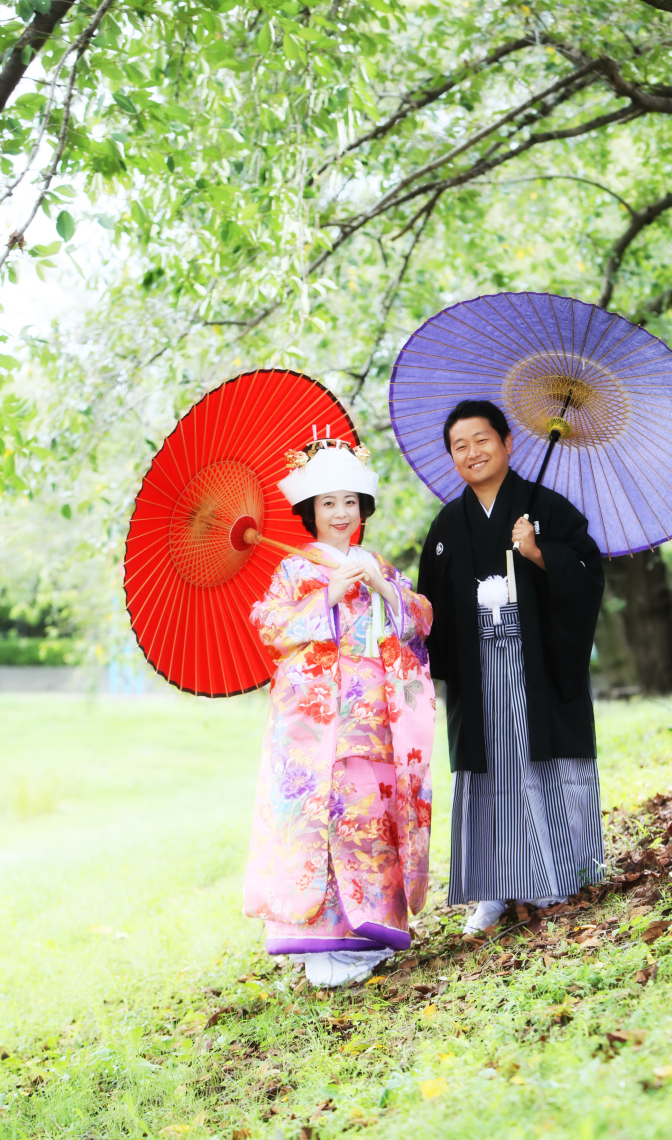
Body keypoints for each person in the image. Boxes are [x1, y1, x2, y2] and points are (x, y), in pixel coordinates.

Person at [244, 436, 435, 986]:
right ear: (311, 512)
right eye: (328, 503)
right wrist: (324, 597)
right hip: (320, 722)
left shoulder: (378, 565)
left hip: (377, 717)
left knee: (371, 819)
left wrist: (384, 589)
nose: (340, 513)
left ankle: (372, 933)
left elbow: (421, 621)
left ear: (363, 509)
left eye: (350, 501)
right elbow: (270, 626)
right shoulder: (294, 570)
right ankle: (324, 944)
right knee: (324, 823)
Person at [417, 400, 605, 934]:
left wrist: (540, 552)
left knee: (539, 763)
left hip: (537, 665)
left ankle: (558, 876)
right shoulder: (449, 523)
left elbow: (589, 573)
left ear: (508, 444)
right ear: (453, 458)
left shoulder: (547, 507)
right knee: (492, 771)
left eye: (482, 440)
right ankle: (493, 891)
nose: (472, 452)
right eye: (460, 446)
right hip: (479, 673)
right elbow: (430, 606)